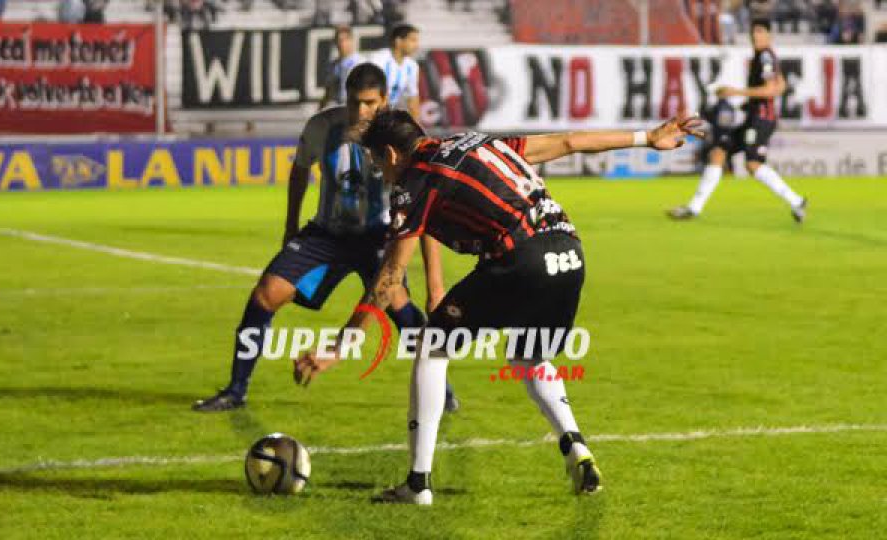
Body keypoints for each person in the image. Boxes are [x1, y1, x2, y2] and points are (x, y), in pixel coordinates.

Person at [295, 108, 703, 504]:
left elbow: (389, 277)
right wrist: (646, 138)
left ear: (391, 154)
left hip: (521, 256)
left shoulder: (413, 180)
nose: (380, 174)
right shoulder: (475, 141)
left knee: (432, 347)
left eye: (377, 163)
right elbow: (568, 141)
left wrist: (342, 344)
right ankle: (575, 445)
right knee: (529, 356)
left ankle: (418, 484)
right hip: (569, 253)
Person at [193, 64, 460, 413]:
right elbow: (299, 170)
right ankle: (235, 390)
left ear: (384, 100)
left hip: (379, 236)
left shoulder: (401, 135)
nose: (360, 111)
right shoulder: (321, 127)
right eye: (354, 102)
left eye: (369, 103)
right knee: (265, 294)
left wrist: (435, 284)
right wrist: (290, 226)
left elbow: (425, 205)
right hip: (326, 234)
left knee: (400, 310)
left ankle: (443, 392)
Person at [668, 19, 808, 222]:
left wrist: (736, 92)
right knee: (718, 153)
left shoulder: (765, 56)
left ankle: (796, 200)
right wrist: (748, 103)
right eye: (753, 32)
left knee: (753, 164)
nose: (755, 36)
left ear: (769, 35)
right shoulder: (763, 56)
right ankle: (694, 208)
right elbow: (780, 86)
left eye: (760, 32)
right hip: (753, 117)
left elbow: (770, 89)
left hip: (761, 119)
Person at [369, 23, 421, 121]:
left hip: (386, 115)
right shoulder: (378, 59)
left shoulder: (412, 66)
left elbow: (412, 98)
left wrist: (417, 126)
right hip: (369, 113)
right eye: (412, 40)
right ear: (398, 41)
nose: (416, 45)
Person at [319, 27, 365, 110]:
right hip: (339, 108)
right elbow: (328, 91)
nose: (342, 44)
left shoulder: (361, 63)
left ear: (351, 41)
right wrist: (320, 109)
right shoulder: (333, 65)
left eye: (345, 40)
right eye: (339, 40)